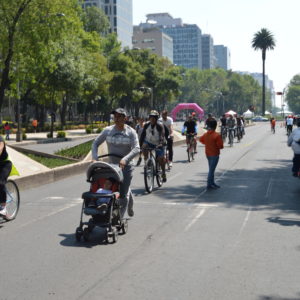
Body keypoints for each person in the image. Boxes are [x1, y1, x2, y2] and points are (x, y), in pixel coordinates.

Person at [92, 108, 140, 218]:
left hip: (126, 165)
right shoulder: (107, 131)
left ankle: (119, 218)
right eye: (115, 116)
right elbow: (95, 143)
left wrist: (125, 159)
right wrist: (95, 158)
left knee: (123, 194)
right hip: (112, 166)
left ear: (125, 118)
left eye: (119, 116)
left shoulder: (131, 132)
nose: (116, 119)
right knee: (109, 187)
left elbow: (137, 148)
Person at [140, 110, 167, 182]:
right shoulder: (146, 125)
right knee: (144, 147)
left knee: (161, 159)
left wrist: (160, 144)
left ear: (156, 118)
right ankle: (147, 162)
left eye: (154, 118)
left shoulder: (159, 126)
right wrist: (139, 146)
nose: (152, 119)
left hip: (159, 143)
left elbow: (162, 136)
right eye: (150, 117)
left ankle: (163, 172)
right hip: (149, 142)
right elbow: (142, 136)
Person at [200, 119, 224, 189]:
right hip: (215, 155)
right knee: (211, 170)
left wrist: (207, 143)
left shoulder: (206, 134)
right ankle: (209, 184)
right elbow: (221, 146)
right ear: (215, 126)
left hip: (208, 154)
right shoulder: (217, 135)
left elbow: (201, 140)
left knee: (211, 169)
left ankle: (212, 183)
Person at [0, 136, 13, 216]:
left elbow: (0, 149)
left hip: (5, 164)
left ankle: (3, 207)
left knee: (0, 182)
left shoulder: (0, 139)